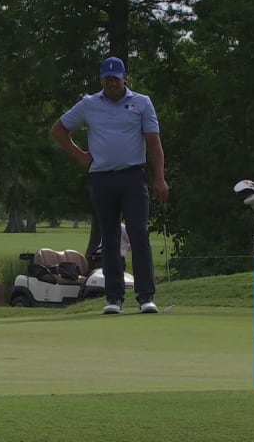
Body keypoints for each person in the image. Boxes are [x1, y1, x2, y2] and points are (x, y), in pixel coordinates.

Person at [51, 56, 168, 315]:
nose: (112, 83)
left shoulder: (141, 103)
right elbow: (59, 129)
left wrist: (159, 177)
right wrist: (79, 154)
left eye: (116, 78)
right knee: (111, 237)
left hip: (133, 177)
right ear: (101, 79)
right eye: (107, 78)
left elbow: (153, 143)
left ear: (125, 78)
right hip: (102, 178)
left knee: (138, 233)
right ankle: (114, 299)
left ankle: (146, 296)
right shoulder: (89, 104)